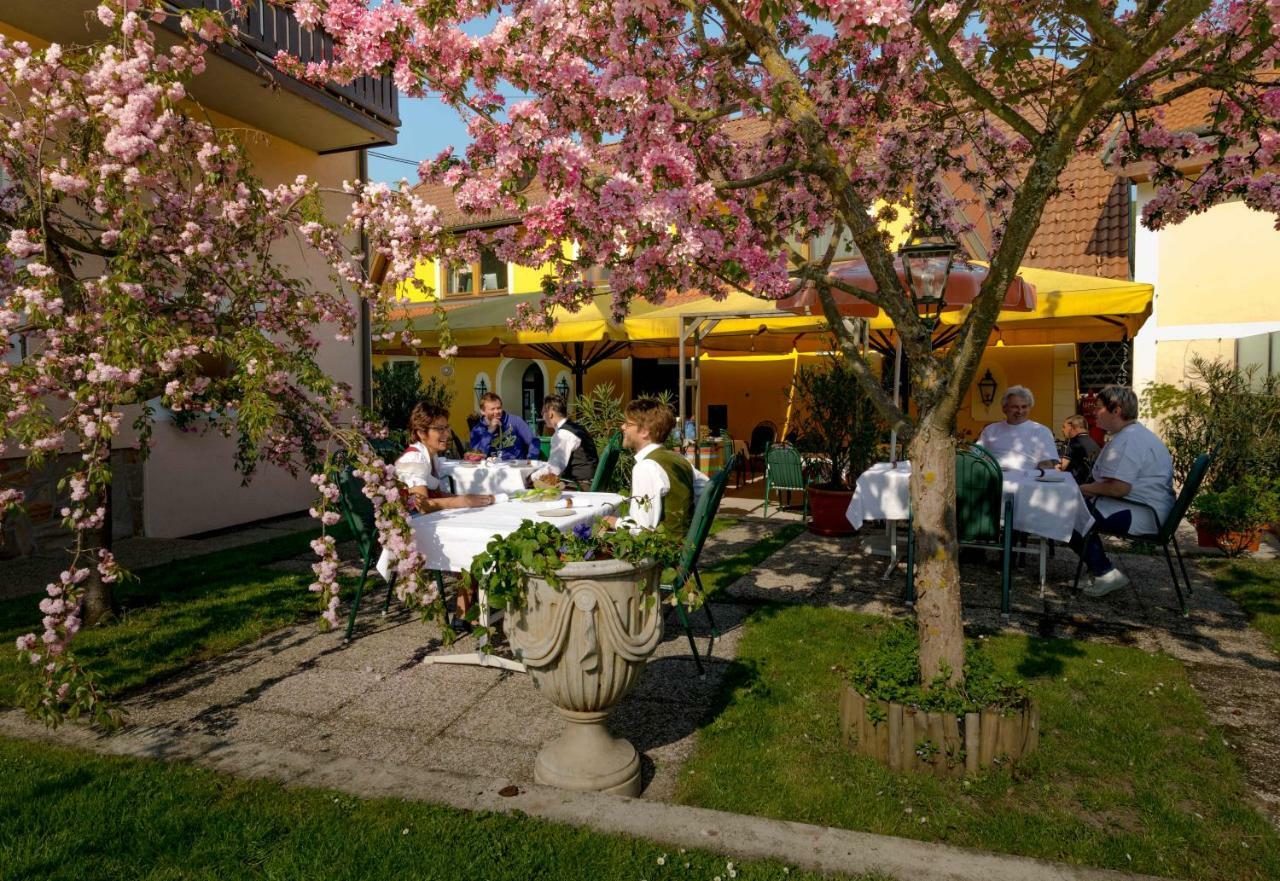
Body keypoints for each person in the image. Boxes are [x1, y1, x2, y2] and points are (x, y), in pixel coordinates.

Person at [395, 402, 498, 627]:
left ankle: (472, 602)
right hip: (411, 531)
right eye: (439, 429)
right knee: (471, 535)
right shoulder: (414, 459)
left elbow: (435, 495)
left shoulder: (429, 456)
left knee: (479, 524)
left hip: (426, 521)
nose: (446, 434)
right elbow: (421, 505)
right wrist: (462, 500)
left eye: (446, 427)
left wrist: (469, 499)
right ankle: (465, 609)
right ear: (421, 433)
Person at [1069, 385, 1176, 598]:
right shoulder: (1133, 434)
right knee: (1073, 508)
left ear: (1116, 410)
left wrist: (1079, 489)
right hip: (1144, 507)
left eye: (1098, 408)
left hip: (1142, 512)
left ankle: (1104, 573)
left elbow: (1118, 488)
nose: (1092, 412)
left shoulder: (1129, 440)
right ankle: (1098, 570)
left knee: (1067, 513)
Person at [608, 398, 708, 535]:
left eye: (628, 424)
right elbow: (707, 488)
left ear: (644, 431)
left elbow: (642, 528)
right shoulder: (678, 458)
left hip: (657, 552)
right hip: (681, 547)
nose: (623, 427)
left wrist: (614, 522)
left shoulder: (646, 467)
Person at [977, 385, 1059, 470]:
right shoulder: (990, 430)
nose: (1020, 411)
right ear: (1004, 408)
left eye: (1024, 407)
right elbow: (976, 456)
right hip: (994, 479)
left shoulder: (1041, 431)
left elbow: (1047, 464)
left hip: (1028, 480)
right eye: (1015, 407)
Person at [529, 394, 599, 487]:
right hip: (590, 481)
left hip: (581, 486)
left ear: (550, 413)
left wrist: (531, 478)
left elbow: (554, 469)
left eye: (543, 412)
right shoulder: (576, 428)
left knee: (536, 488)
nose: (542, 415)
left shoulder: (562, 435)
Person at [468, 392, 539, 460]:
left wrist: (531, 459)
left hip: (515, 468)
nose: (497, 412)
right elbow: (477, 455)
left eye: (498, 408)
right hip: (491, 469)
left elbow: (533, 441)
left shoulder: (516, 421)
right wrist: (489, 432)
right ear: (482, 411)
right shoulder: (477, 430)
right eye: (492, 409)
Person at [1057, 414, 1101, 485]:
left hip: (1079, 487)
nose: (1062, 430)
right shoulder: (1094, 443)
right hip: (1093, 486)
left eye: (1064, 427)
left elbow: (1060, 467)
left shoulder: (1074, 442)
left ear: (1072, 427)